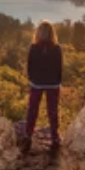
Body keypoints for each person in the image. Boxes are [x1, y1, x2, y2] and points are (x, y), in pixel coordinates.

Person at [21, 20, 63, 153]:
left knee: (32, 110)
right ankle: (55, 139)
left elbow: (29, 66)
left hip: (37, 83)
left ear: (38, 33)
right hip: (53, 84)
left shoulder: (34, 48)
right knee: (53, 111)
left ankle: (28, 137)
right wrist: (58, 81)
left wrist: (32, 78)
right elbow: (59, 68)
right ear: (52, 33)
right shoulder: (57, 48)